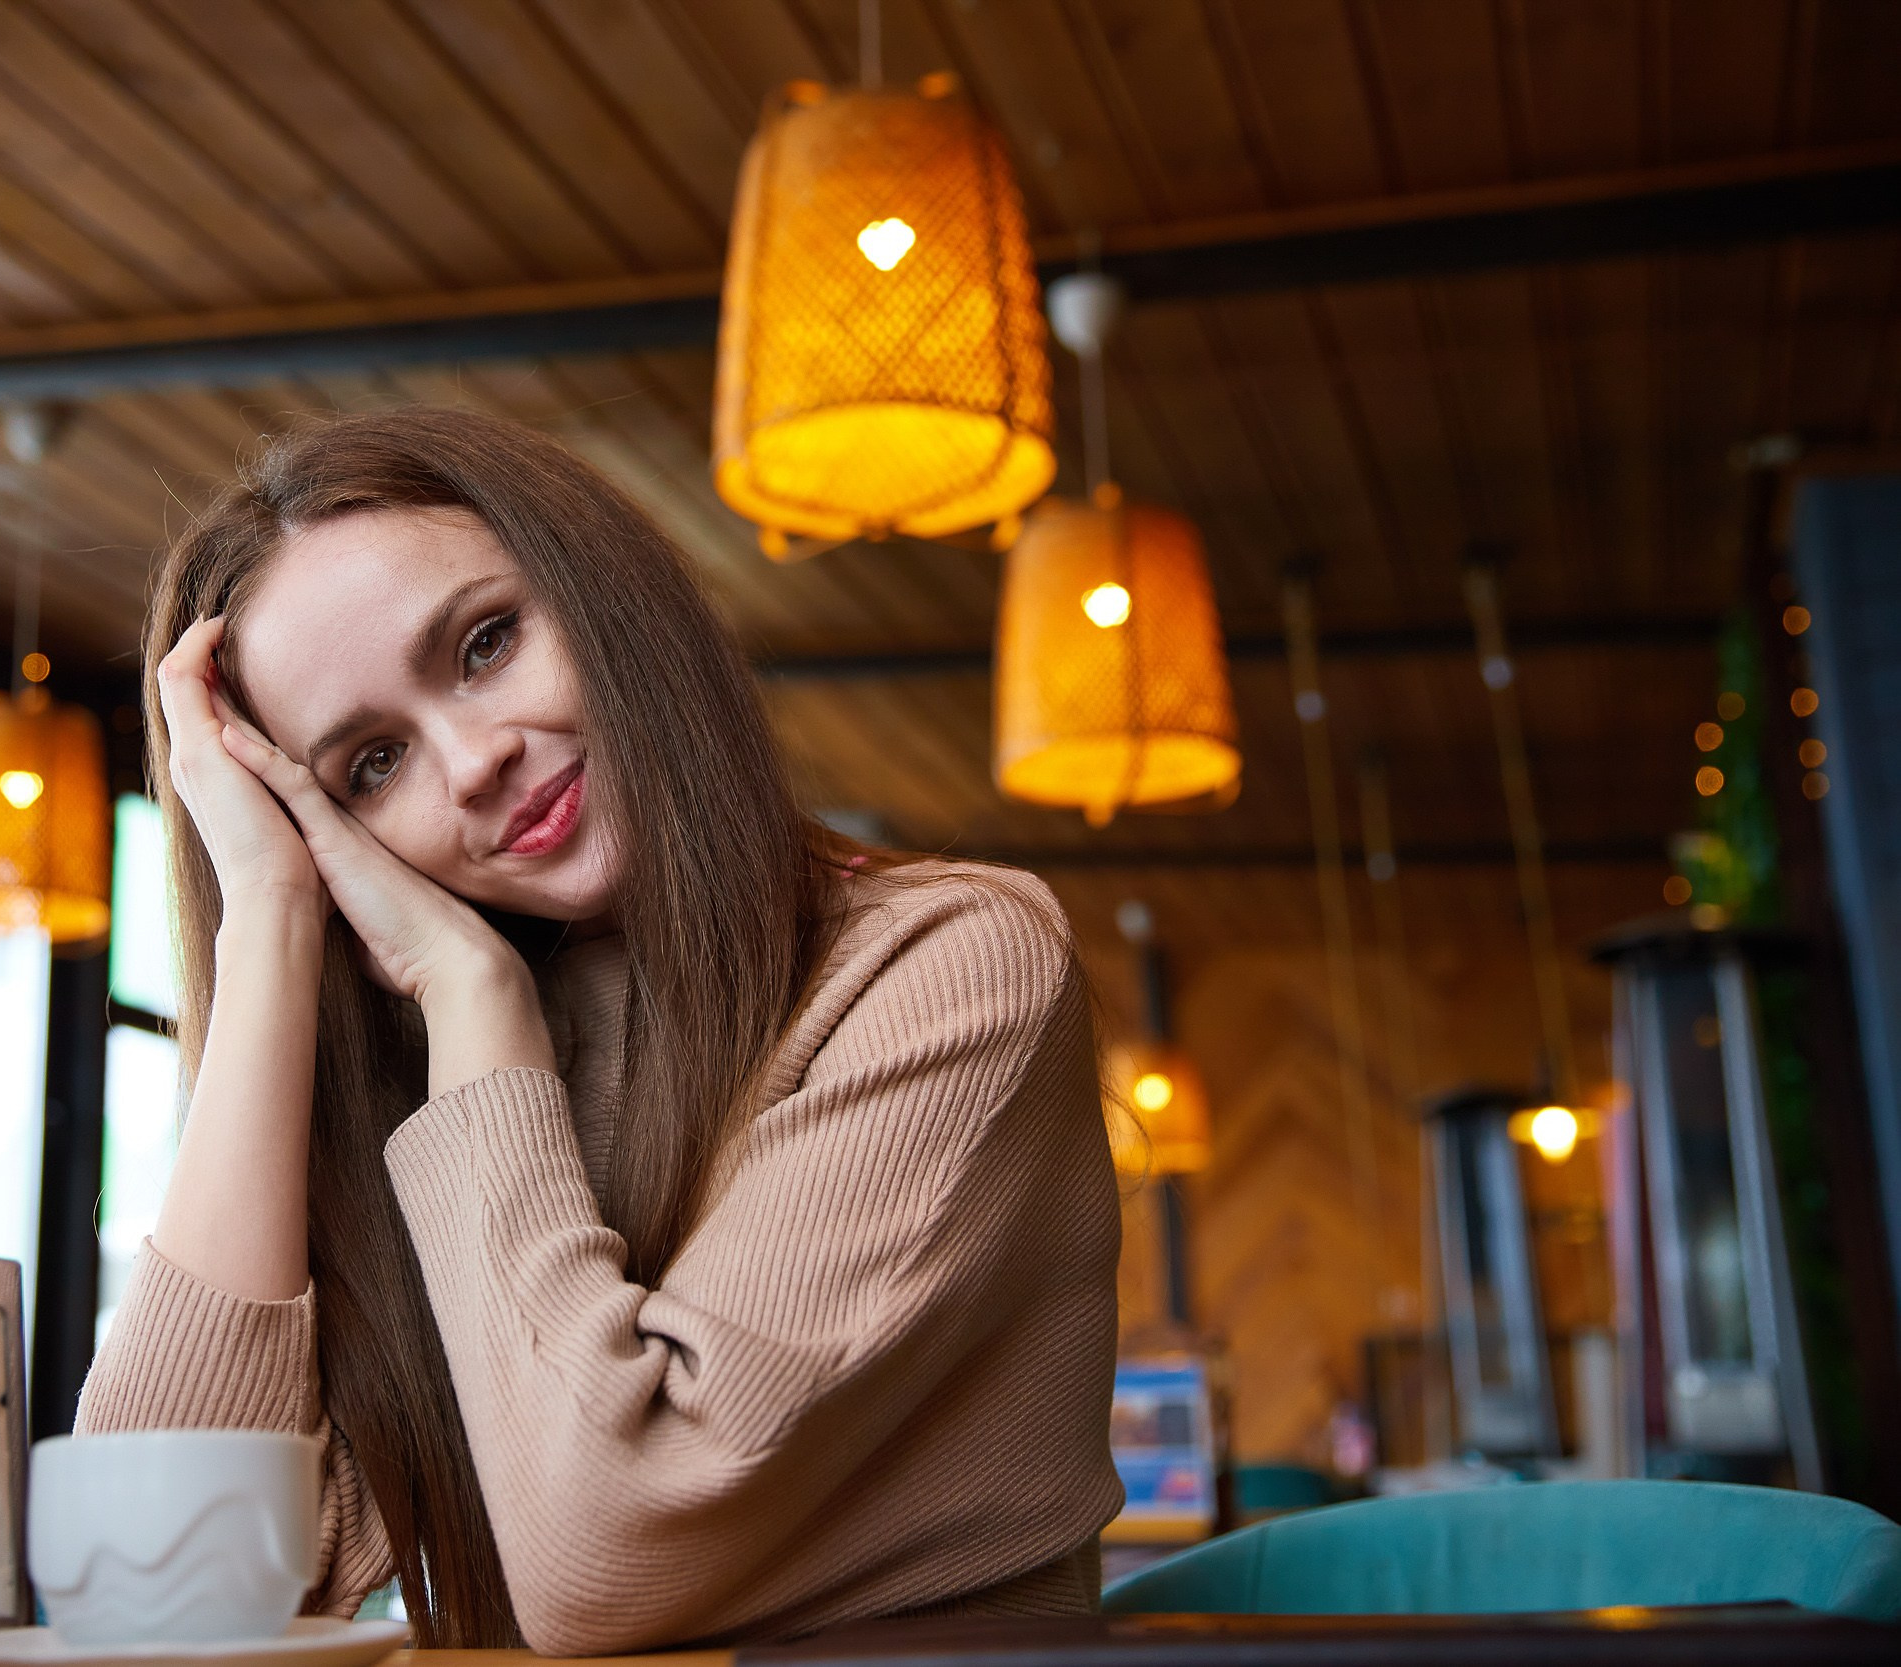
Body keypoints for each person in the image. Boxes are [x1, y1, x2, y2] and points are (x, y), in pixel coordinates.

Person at [78, 407, 1121, 1654]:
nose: (471, 760)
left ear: (604, 592)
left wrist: (477, 1009)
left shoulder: (949, 962)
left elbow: (607, 1560)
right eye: (367, 766)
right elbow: (146, 1590)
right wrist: (267, 926)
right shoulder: (442, 1074)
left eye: (484, 642)